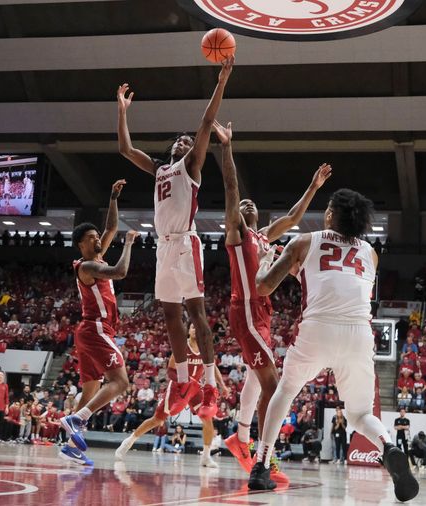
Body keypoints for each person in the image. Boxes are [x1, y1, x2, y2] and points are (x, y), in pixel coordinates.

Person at [248, 188, 418, 502]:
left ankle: (260, 465)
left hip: (318, 328)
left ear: (329, 214)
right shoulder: (371, 252)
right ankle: (388, 446)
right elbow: (343, 282)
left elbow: (263, 286)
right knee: (359, 414)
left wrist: (263, 261)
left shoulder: (303, 241)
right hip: (359, 333)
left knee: (286, 389)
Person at [116, 57, 233, 421]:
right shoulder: (159, 169)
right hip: (164, 246)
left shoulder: (190, 167)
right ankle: (183, 381)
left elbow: (204, 122)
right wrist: (122, 112)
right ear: (171, 148)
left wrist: (222, 81)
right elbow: (124, 149)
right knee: (170, 316)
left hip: (186, 243)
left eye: (188, 142)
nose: (185, 143)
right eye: (180, 141)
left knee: (197, 314)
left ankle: (210, 384)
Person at [213, 119, 331, 476]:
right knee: (272, 385)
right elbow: (233, 189)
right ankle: (260, 453)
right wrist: (227, 148)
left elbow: (295, 216)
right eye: (242, 204)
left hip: (262, 310)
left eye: (252, 203)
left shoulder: (264, 235)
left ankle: (242, 439)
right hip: (247, 309)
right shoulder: (237, 234)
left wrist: (313, 186)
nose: (248, 203)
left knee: (256, 377)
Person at [58, 181, 139, 466]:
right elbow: (120, 271)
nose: (97, 240)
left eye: (96, 237)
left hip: (91, 331)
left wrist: (113, 197)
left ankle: (71, 447)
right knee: (121, 382)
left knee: (90, 391)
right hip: (96, 329)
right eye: (91, 238)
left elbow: (111, 228)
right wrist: (128, 244)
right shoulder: (89, 265)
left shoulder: (95, 257)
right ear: (81, 244)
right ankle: (76, 419)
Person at [115, 324, 228, 468]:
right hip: (177, 388)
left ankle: (205, 456)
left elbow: (213, 367)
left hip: (195, 389)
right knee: (157, 420)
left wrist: (222, 385)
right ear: (188, 330)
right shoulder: (182, 347)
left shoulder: (206, 349)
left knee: (207, 418)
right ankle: (128, 442)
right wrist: (184, 381)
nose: (195, 329)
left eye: (197, 327)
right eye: (193, 327)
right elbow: (170, 371)